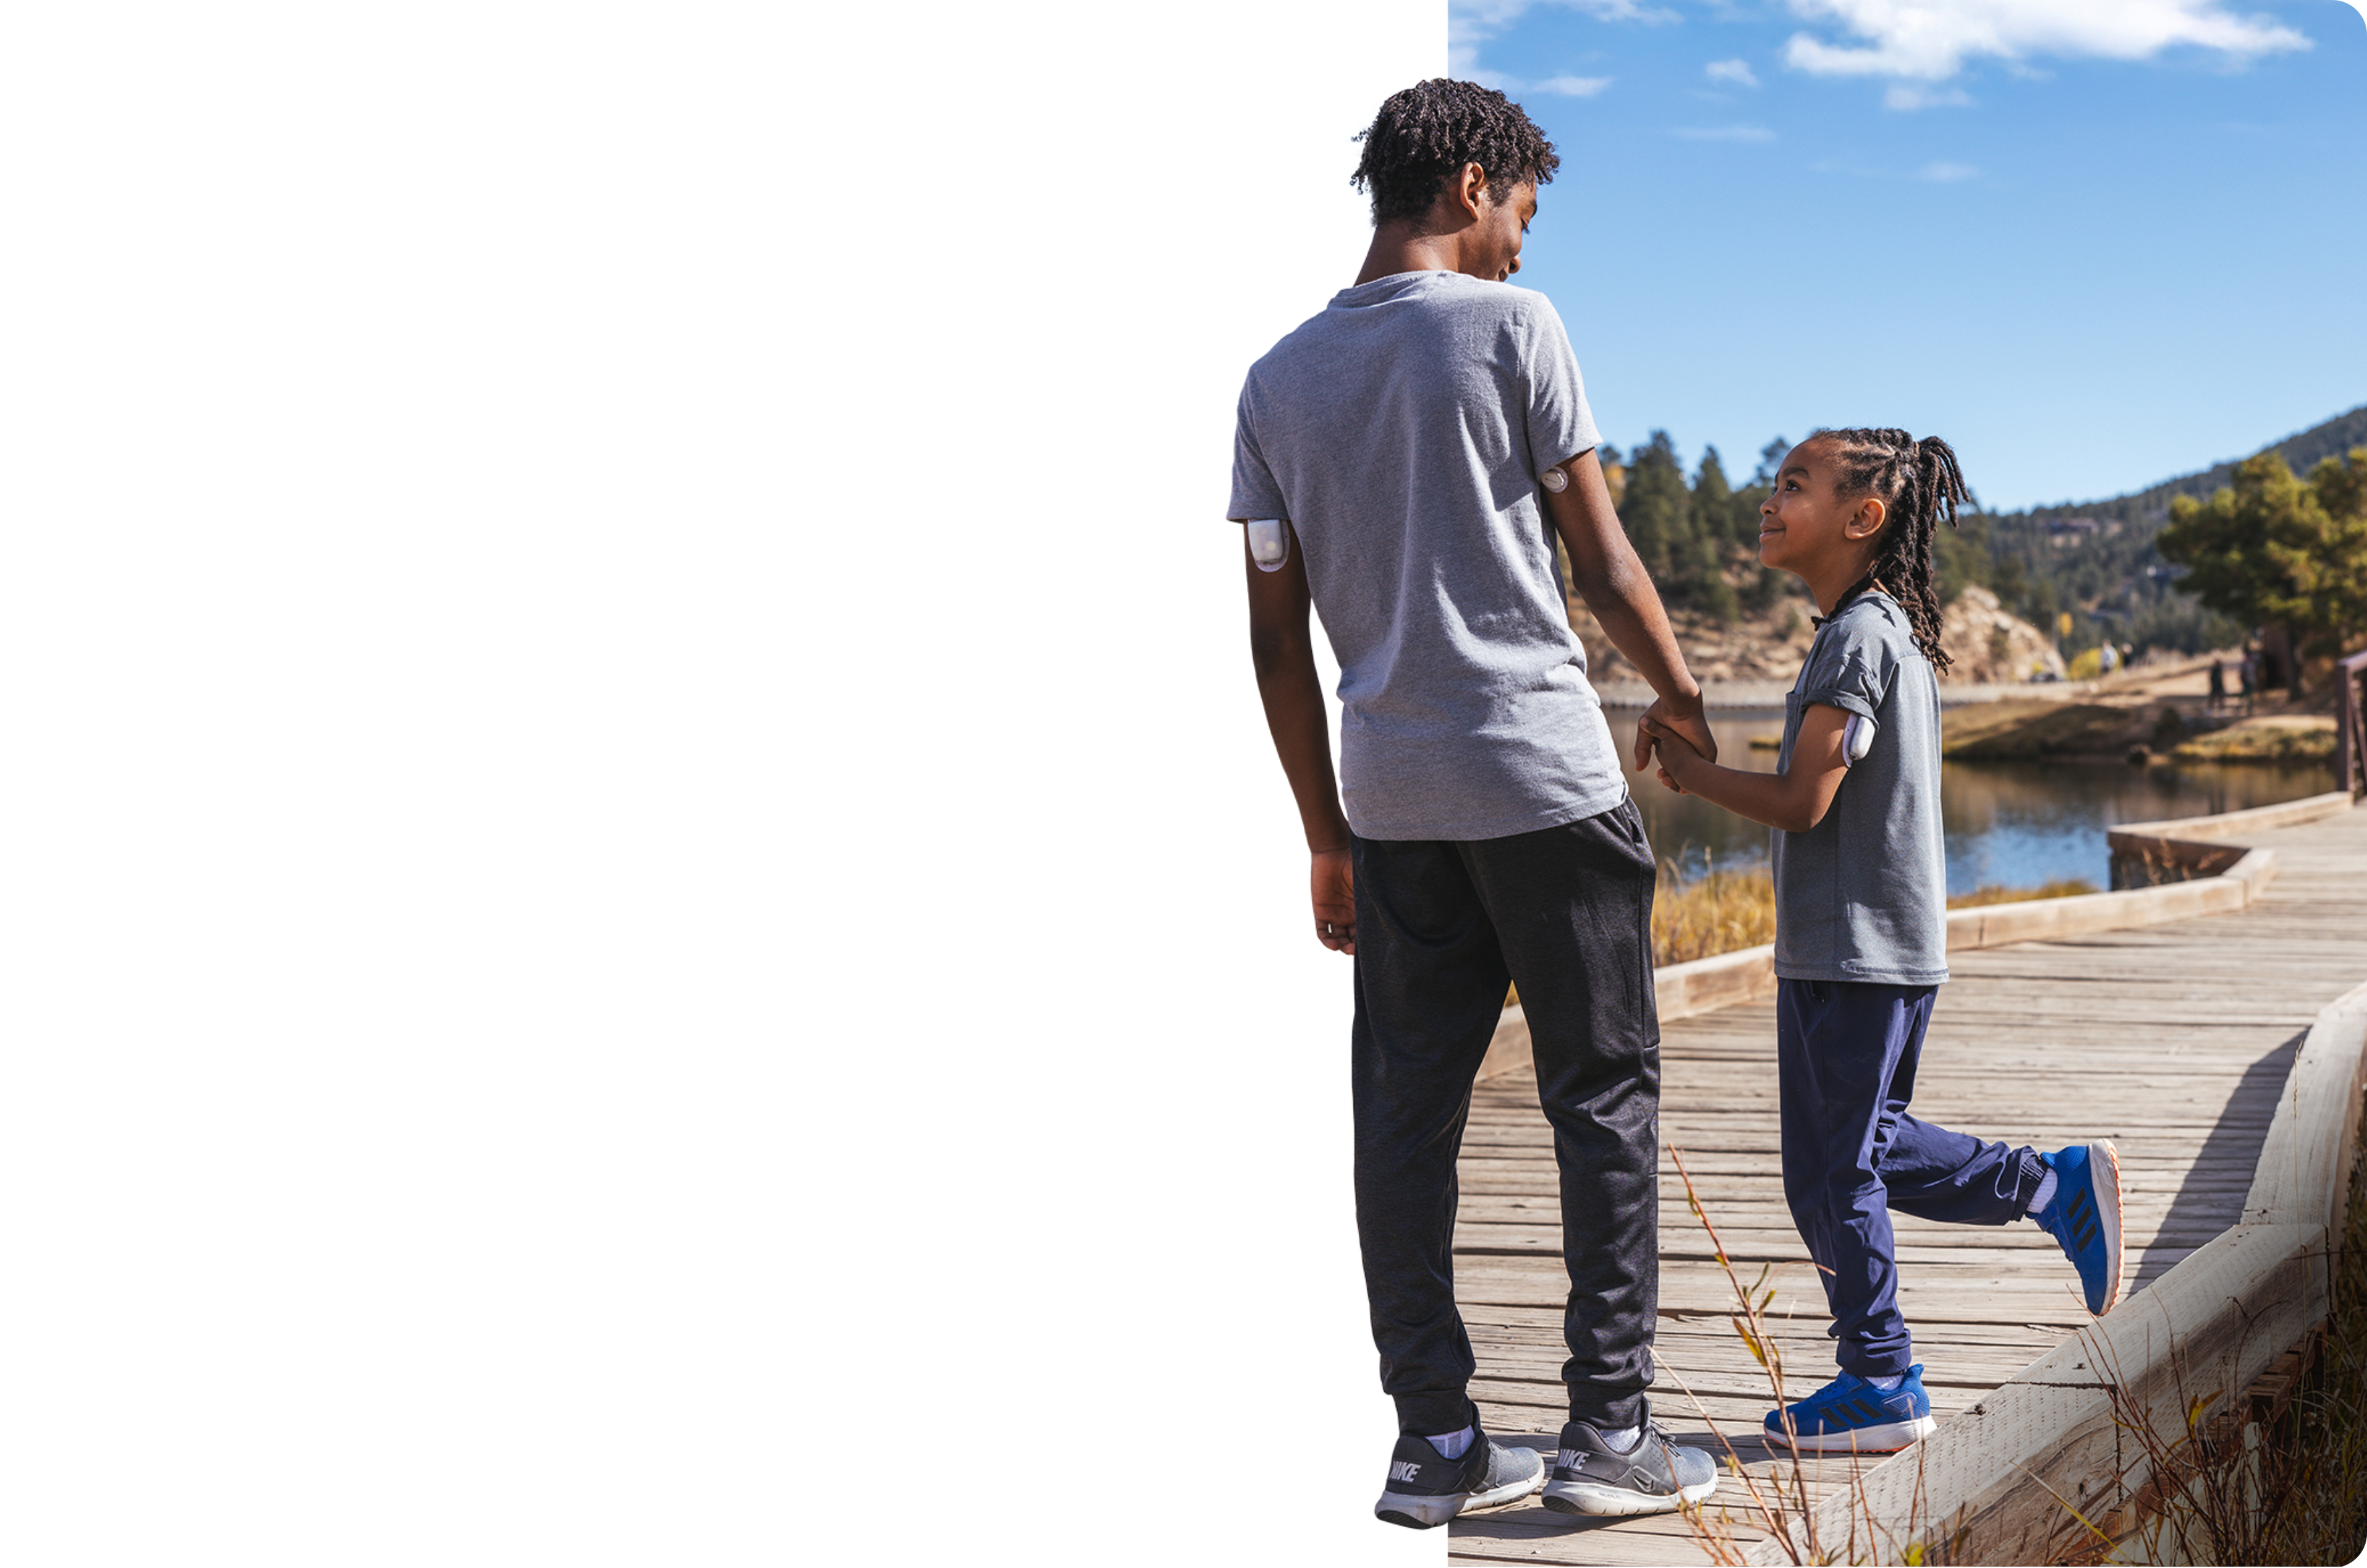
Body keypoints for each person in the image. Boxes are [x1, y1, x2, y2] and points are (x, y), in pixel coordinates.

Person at [1228, 77, 1720, 1529]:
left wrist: (1321, 831)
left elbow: (1271, 639)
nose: (1518, 240)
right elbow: (1605, 562)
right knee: (1603, 1094)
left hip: (1391, 800)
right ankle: (1605, 1431)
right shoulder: (1517, 329)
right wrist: (1681, 697)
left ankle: (1432, 1442)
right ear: (1468, 186)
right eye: (1519, 208)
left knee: (1400, 1111)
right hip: (1540, 778)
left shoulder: (1271, 379)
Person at [1640, 429, 2125, 1454]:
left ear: (1863, 518)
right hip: (1868, 949)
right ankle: (2049, 1184)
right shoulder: (1869, 629)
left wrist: (1685, 777)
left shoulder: (1857, 637)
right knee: (1849, 1153)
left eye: (1793, 485)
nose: (1768, 502)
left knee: (1831, 1170)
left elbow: (1801, 800)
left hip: (1850, 951)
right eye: (1774, 482)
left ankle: (1880, 1378)